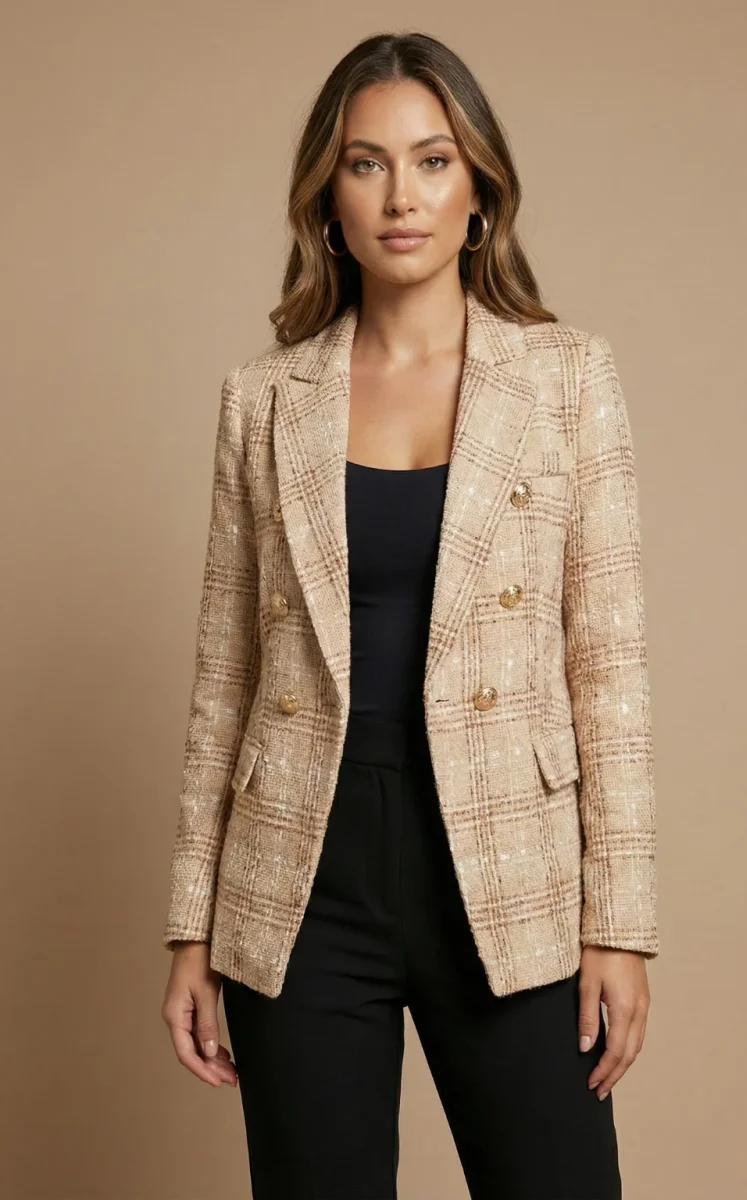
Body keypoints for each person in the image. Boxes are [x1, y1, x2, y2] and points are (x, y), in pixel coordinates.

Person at [160, 30, 658, 1200]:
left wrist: (620, 922)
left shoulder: (565, 380)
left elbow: (608, 667)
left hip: (508, 863)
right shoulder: (261, 400)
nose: (400, 196)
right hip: (301, 875)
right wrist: (190, 925)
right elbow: (224, 676)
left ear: (477, 191)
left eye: (432, 161)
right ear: (326, 199)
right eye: (366, 163)